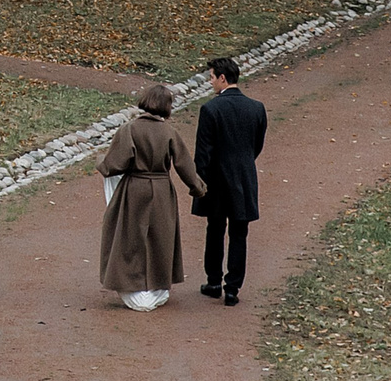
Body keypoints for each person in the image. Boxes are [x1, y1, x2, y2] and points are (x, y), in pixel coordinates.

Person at [97, 83, 205, 310]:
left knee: (130, 236)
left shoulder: (130, 130)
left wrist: (102, 163)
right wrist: (197, 188)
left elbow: (115, 163)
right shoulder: (169, 132)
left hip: (135, 187)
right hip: (162, 188)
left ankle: (131, 282)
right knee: (160, 237)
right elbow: (184, 165)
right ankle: (157, 282)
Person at [191, 55, 267, 307]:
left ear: (222, 78)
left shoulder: (210, 109)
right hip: (244, 177)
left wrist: (199, 183)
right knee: (239, 232)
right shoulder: (256, 108)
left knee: (215, 229)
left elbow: (203, 153)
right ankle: (233, 287)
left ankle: (213, 281)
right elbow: (256, 146)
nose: (210, 82)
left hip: (216, 179)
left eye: (211, 77)